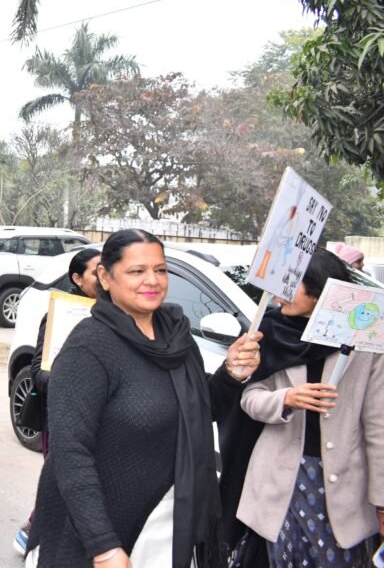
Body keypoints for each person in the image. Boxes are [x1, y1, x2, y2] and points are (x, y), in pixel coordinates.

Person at [32, 229, 261, 568]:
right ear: (105, 278)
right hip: (97, 530)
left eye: (161, 269)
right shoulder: (89, 348)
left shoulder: (176, 335)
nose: (152, 280)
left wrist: (231, 375)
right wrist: (103, 544)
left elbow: (198, 408)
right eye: (136, 271)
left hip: (168, 519)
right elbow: (70, 453)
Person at [229, 248, 383, 566]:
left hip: (344, 488)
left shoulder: (364, 337)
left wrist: (381, 500)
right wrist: (285, 399)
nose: (278, 295)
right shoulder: (268, 331)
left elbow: (378, 423)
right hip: (279, 483)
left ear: (317, 289)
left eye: (290, 284)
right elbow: (249, 397)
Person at [17, 248, 101, 558]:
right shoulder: (61, 314)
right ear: (77, 279)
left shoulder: (122, 317)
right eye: (96, 271)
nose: (104, 276)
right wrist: (76, 386)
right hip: (63, 417)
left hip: (101, 422)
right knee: (65, 483)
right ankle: (36, 534)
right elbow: (39, 372)